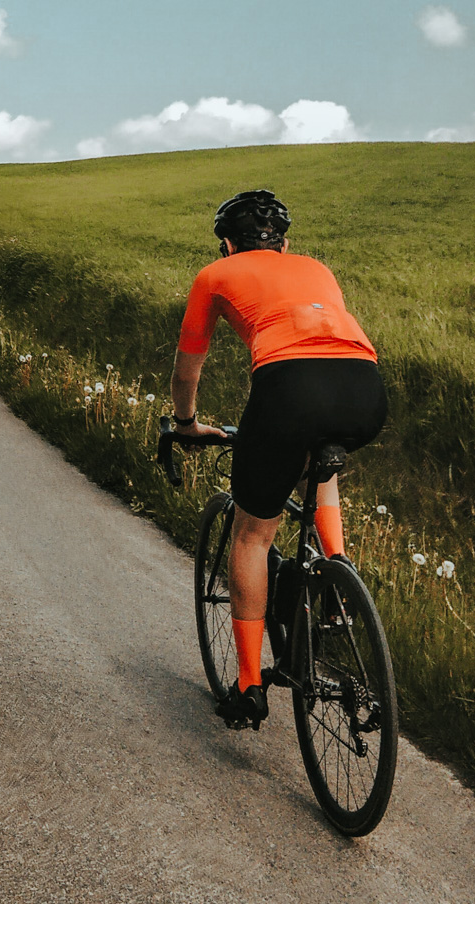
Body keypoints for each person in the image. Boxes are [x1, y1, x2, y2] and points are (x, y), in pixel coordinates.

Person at [169, 190, 388, 729]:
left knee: (252, 533)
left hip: (288, 390)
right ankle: (337, 576)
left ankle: (247, 687)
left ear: (227, 244)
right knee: (320, 460)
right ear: (285, 243)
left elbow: (186, 369)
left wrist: (186, 424)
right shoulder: (315, 267)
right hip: (365, 390)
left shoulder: (214, 276)